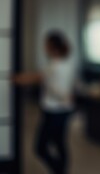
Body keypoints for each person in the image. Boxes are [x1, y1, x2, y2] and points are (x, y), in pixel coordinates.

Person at [14, 30, 75, 174]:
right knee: (59, 143)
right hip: (64, 109)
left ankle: (59, 170)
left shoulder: (54, 65)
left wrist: (17, 79)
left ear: (52, 47)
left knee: (41, 147)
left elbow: (37, 78)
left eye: (46, 45)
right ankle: (61, 170)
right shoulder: (66, 64)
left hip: (55, 111)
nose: (44, 48)